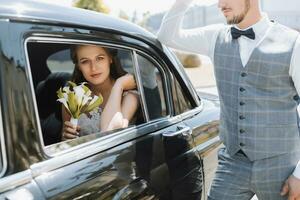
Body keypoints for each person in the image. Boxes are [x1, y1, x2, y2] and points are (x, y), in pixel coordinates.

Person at [157, 0, 300, 199]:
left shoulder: (294, 42)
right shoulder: (215, 36)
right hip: (233, 161)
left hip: (281, 164)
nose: (220, 4)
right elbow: (167, 36)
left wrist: (299, 174)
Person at [62, 44, 139, 139]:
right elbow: (64, 142)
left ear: (110, 59)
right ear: (78, 66)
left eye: (100, 58)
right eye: (85, 61)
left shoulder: (129, 95)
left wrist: (119, 85)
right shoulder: (73, 98)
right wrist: (66, 137)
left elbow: (110, 133)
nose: (93, 68)